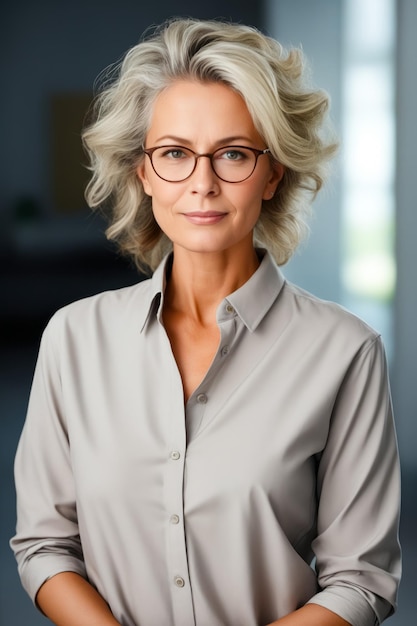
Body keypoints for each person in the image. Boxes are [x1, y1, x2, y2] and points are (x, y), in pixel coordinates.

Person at [10, 17, 401, 626]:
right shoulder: (73, 338)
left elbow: (360, 579)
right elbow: (45, 546)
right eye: (174, 154)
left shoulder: (345, 351)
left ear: (274, 173)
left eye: (234, 155)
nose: (203, 184)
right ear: (143, 171)